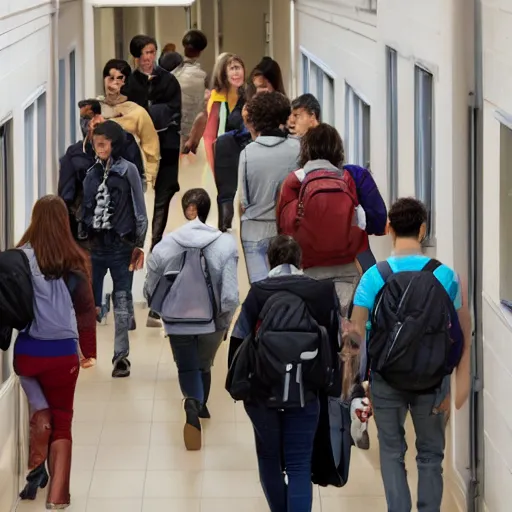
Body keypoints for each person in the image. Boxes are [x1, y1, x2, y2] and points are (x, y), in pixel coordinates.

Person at [344, 197, 472, 512]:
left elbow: (355, 336)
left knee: (391, 452)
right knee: (430, 455)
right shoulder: (446, 276)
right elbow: (459, 334)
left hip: (386, 379)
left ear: (388, 228)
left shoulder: (373, 277)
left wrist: (357, 384)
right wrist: (455, 383)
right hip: (433, 381)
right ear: (423, 230)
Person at [227, 235, 342, 512]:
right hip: (306, 391)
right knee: (299, 463)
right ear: (300, 260)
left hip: (262, 392)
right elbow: (335, 343)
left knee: (268, 458)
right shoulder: (323, 292)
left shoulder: (258, 291)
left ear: (269, 261)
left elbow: (238, 341)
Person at [14, 195, 96, 509]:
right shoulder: (74, 260)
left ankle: (39, 417)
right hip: (63, 354)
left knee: (39, 407)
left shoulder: (19, 259)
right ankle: (58, 498)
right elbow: (86, 310)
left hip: (28, 353)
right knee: (63, 422)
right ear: (64, 223)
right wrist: (88, 351)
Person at [144, 188, 238, 450]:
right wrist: (225, 322)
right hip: (212, 319)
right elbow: (230, 296)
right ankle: (200, 404)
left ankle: (191, 403)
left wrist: (156, 304)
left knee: (186, 366)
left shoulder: (169, 242)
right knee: (205, 364)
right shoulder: (224, 244)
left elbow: (152, 274)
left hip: (177, 319)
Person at [81, 121, 147, 378]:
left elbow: (139, 210)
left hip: (122, 247)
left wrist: (139, 244)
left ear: (114, 143)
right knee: (91, 304)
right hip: (95, 249)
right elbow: (85, 210)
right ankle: (87, 351)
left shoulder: (128, 170)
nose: (99, 147)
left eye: (104, 142)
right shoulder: (91, 173)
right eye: (96, 142)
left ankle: (121, 357)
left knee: (122, 301)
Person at [122, 34, 182, 250]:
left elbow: (175, 110)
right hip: (138, 147)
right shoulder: (128, 83)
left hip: (166, 144)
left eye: (152, 52)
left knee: (163, 193)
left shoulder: (169, 80)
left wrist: (146, 115)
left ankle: (156, 240)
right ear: (136, 56)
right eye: (145, 53)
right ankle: (138, 237)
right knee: (137, 189)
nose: (149, 57)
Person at [58, 99, 145, 243]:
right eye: (83, 119)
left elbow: (136, 187)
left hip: (121, 228)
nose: (86, 124)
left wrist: (138, 241)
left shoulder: (125, 142)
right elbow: (65, 196)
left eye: (89, 118)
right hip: (89, 231)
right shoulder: (75, 153)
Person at [238, 91, 300, 283]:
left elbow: (243, 201)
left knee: (262, 291)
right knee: (287, 289)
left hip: (254, 229)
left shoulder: (248, 153)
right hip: (287, 230)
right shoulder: (298, 148)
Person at [98, 59, 160, 185]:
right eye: (110, 78)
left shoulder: (137, 112)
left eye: (119, 79)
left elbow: (151, 148)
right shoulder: (97, 108)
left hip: (131, 177)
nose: (114, 83)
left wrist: (147, 179)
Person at [203, 53, 246, 172]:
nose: (236, 72)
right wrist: (213, 171)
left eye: (238, 67)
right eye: (232, 69)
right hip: (224, 159)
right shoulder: (217, 99)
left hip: (243, 156)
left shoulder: (246, 96)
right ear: (223, 74)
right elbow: (209, 138)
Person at [172, 30, 208, 153]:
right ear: (201, 51)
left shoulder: (174, 73)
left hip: (175, 130)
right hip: (194, 134)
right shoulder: (202, 76)